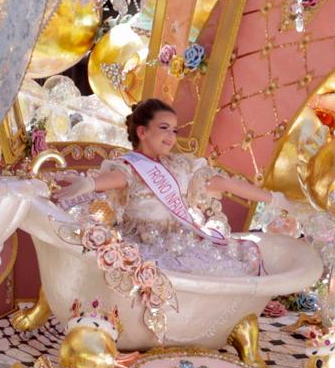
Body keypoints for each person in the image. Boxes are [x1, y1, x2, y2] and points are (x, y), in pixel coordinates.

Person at [51, 98, 290, 275]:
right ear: (142, 132)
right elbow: (114, 179)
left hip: (181, 241)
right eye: (164, 128)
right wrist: (90, 183)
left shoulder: (180, 166)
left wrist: (275, 199)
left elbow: (225, 184)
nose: (171, 136)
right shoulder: (130, 166)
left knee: (239, 257)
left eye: (174, 130)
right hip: (146, 245)